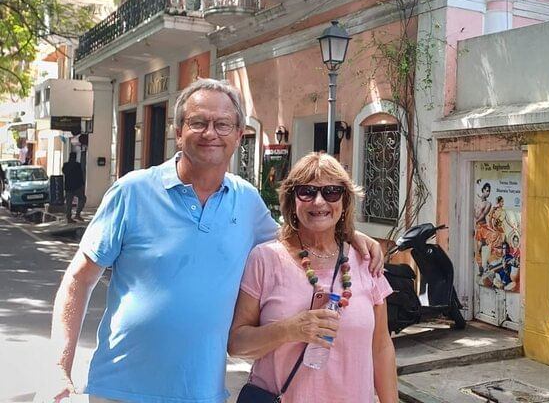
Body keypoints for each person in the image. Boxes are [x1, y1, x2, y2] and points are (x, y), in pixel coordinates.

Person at [44, 79, 383, 403]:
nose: (210, 133)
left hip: (203, 393)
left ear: (238, 134)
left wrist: (349, 234)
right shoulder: (132, 191)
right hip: (120, 389)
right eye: (198, 122)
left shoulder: (246, 201)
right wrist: (59, 367)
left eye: (222, 124)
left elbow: (296, 236)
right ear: (179, 132)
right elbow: (79, 280)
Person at [228, 152, 397, 403]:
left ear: (345, 201)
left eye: (331, 192)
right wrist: (289, 330)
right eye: (306, 192)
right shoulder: (265, 259)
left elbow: (381, 347)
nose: (319, 202)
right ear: (292, 201)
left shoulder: (365, 260)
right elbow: (237, 344)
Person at [61, 152, 87, 223]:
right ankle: (77, 214)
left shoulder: (66, 165)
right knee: (82, 198)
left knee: (69, 203)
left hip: (68, 187)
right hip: (76, 187)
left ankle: (69, 217)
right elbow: (81, 175)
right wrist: (82, 184)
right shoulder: (77, 165)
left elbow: (64, 172)